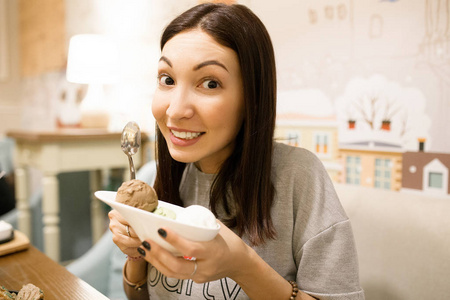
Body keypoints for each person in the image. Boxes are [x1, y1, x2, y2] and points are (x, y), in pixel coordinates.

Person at [109, 3, 365, 300]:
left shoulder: (299, 178)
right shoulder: (158, 177)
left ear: (251, 98)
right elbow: (139, 296)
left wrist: (243, 266)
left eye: (210, 83)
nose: (176, 110)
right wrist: (136, 254)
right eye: (167, 79)